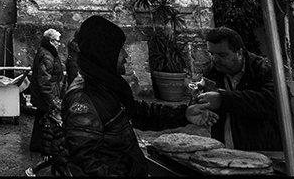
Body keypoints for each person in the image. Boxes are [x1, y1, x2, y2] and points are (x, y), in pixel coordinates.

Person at [62, 15, 219, 176]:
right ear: (105, 52)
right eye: (120, 49)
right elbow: (84, 164)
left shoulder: (107, 85)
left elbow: (138, 112)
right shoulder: (83, 99)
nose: (126, 55)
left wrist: (184, 114)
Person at [194, 26, 286, 151]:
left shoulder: (264, 69)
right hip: (226, 152)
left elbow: (276, 102)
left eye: (222, 55)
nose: (215, 60)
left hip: (269, 151)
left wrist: (223, 100)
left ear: (239, 52)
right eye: (211, 54)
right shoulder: (212, 73)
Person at [30, 27, 65, 154]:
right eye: (57, 41)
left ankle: (38, 145)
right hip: (46, 94)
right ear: (50, 41)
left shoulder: (48, 53)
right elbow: (45, 81)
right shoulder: (47, 55)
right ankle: (40, 146)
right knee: (45, 119)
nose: (59, 44)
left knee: (42, 118)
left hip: (46, 93)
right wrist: (51, 99)